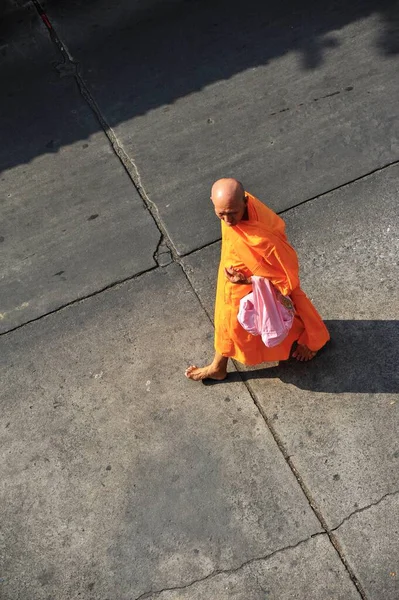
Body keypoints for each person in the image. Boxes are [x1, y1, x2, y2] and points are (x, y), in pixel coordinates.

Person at [185, 178, 330, 381]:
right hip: (231, 274)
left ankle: (312, 339)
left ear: (245, 201)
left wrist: (249, 281)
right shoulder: (232, 209)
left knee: (239, 319)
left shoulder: (263, 236)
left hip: (247, 280)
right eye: (221, 214)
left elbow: (286, 279)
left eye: (232, 213)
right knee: (230, 319)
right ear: (212, 202)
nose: (227, 220)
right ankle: (219, 365)